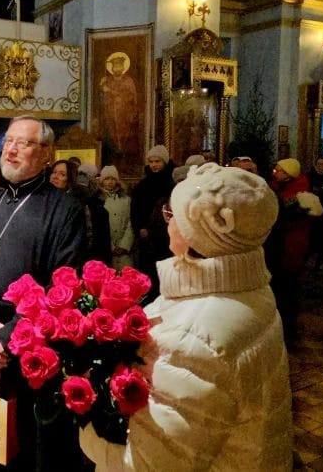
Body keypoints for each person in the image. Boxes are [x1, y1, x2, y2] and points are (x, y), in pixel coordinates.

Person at [79, 163, 292, 471]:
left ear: (201, 233)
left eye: (172, 214)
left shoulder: (193, 336)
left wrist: (82, 422)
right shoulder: (249, 289)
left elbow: (147, 464)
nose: (167, 222)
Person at [0, 115, 87, 471]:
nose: (10, 149)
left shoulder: (65, 210)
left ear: (45, 153)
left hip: (25, 354)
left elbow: (61, 286)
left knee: (21, 453)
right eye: (8, 140)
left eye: (22, 143)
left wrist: (6, 338)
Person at [265, 158, 314, 339]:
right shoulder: (276, 186)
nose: (275, 173)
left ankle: (289, 330)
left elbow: (295, 218)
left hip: (291, 243)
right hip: (278, 242)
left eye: (279, 170)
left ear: (289, 173)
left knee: (288, 287)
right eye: (275, 169)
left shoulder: (300, 192)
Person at [51, 159, 111, 264]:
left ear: (70, 179)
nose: (55, 176)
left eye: (62, 174)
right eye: (54, 172)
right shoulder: (43, 201)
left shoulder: (78, 206)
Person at [131, 146, 174, 289]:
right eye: (151, 161)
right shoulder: (142, 186)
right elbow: (135, 210)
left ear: (165, 162)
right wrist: (140, 227)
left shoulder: (171, 184)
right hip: (147, 238)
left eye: (158, 161)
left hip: (167, 236)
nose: (154, 165)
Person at [100, 165, 134, 270]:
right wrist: (110, 246)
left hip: (124, 250)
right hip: (106, 248)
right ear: (102, 181)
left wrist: (124, 244)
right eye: (106, 179)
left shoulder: (126, 200)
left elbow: (130, 221)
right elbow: (99, 225)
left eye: (113, 179)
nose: (110, 182)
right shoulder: (98, 200)